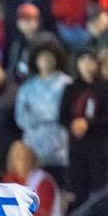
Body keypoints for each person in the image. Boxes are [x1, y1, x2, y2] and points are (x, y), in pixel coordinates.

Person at [59, 47, 108, 211]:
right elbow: (62, 116)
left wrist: (89, 124)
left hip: (101, 150)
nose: (86, 64)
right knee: (79, 194)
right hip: (78, 150)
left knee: (103, 195)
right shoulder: (70, 89)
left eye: (90, 60)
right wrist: (73, 124)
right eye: (82, 60)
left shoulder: (106, 88)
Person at [14, 38, 71, 183]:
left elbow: (62, 113)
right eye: (41, 57)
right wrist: (47, 115)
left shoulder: (67, 84)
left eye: (49, 57)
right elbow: (21, 117)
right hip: (33, 145)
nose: (45, 61)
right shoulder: (26, 87)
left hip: (59, 144)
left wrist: (38, 115)